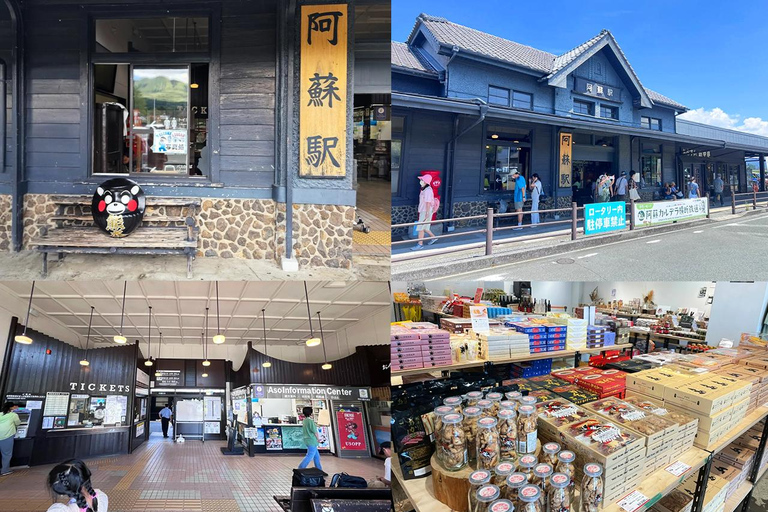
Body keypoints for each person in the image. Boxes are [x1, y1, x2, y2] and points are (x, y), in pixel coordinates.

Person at [411, 174, 438, 251]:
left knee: (420, 228)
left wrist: (426, 213)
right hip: (425, 210)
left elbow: (428, 202)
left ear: (426, 182)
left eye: (422, 180)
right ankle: (434, 238)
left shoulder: (428, 190)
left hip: (425, 210)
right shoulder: (424, 189)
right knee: (425, 227)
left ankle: (420, 244)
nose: (421, 181)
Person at [0, 402, 20, 476]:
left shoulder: (0, 414)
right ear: (11, 407)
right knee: (7, 454)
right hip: (7, 436)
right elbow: (18, 423)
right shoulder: (13, 415)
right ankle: (5, 470)